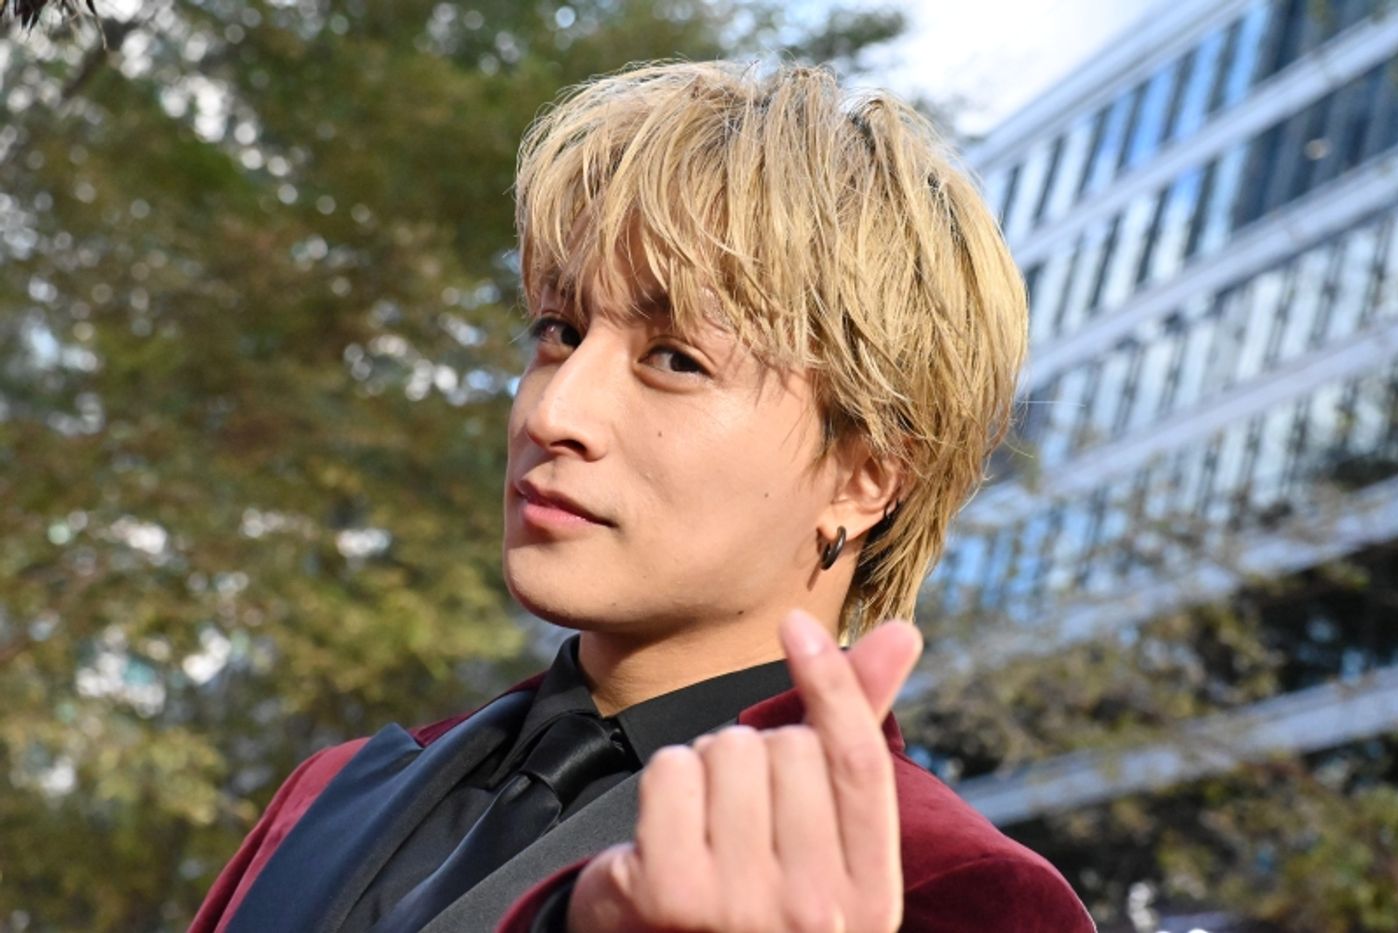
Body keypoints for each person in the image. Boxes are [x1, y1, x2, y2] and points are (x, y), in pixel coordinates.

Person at [191, 60, 1096, 932]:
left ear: (867, 476)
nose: (555, 411)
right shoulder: (334, 788)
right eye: (559, 330)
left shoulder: (942, 885)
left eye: (675, 359)